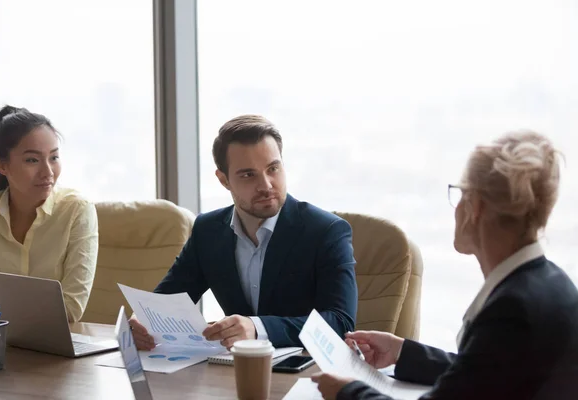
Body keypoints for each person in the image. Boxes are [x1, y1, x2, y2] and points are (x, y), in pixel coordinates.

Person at [312, 131, 578, 400]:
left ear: (476, 207)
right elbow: (485, 372)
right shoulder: (552, 285)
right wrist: (403, 352)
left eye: (461, 193)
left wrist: (347, 391)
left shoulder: (512, 310)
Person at [130, 114, 358, 349]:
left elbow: (340, 322)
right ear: (223, 180)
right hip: (233, 372)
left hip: (306, 373)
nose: (266, 185)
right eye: (248, 175)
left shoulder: (326, 231)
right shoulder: (208, 230)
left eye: (273, 168)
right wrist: (144, 321)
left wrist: (257, 328)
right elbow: (167, 303)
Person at [0, 105, 98, 322]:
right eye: (32, 160)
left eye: (53, 157)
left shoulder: (77, 210)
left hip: (58, 347)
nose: (48, 172)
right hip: (1, 342)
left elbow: (71, 308)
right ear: (1, 165)